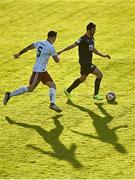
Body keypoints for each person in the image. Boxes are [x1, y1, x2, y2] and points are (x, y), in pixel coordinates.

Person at [3, 31, 62, 112]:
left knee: (53, 86)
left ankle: (52, 104)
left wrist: (19, 54)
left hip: (43, 71)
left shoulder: (40, 42)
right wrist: (59, 56)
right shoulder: (51, 47)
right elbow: (57, 60)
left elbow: (28, 48)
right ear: (54, 37)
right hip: (38, 71)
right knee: (30, 88)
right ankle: (9, 94)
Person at [58, 22, 111, 100]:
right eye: (93, 30)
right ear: (88, 30)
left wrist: (103, 55)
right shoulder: (83, 39)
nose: (94, 31)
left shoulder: (92, 39)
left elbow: (93, 50)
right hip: (85, 63)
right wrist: (62, 51)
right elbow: (73, 45)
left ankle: (68, 91)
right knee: (100, 75)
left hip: (87, 63)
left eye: (95, 30)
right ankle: (96, 95)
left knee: (82, 78)